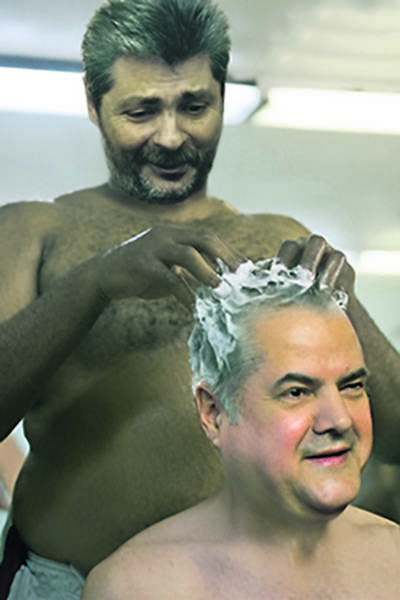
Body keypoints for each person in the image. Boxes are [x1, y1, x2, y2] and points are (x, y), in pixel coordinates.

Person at [0, 0, 399, 597]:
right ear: (93, 102)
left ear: (221, 95)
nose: (170, 136)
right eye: (141, 111)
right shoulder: (34, 233)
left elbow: (393, 437)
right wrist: (95, 283)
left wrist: (346, 308)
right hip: (66, 584)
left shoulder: (278, 238)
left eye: (194, 106)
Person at [82, 259, 400, 600]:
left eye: (352, 386)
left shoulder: (394, 556)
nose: (339, 420)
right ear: (213, 412)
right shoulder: (136, 587)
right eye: (296, 392)